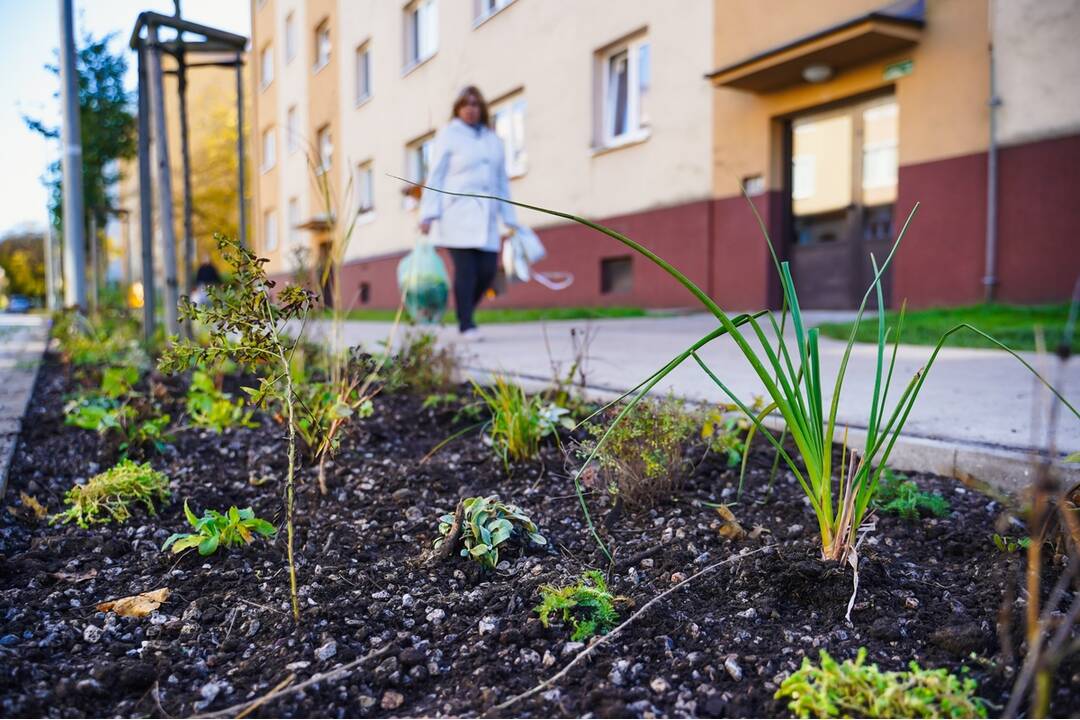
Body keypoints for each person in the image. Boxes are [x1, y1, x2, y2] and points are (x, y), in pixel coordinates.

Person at [419, 85, 518, 340]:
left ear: (481, 108)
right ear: (458, 109)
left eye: (475, 104)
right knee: (466, 272)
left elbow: (501, 181)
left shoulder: (493, 140)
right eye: (465, 105)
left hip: (487, 217)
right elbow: (436, 176)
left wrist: (509, 218)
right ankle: (466, 324)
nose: (470, 109)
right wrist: (428, 214)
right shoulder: (448, 136)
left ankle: (465, 312)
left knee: (487, 272)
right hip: (456, 215)